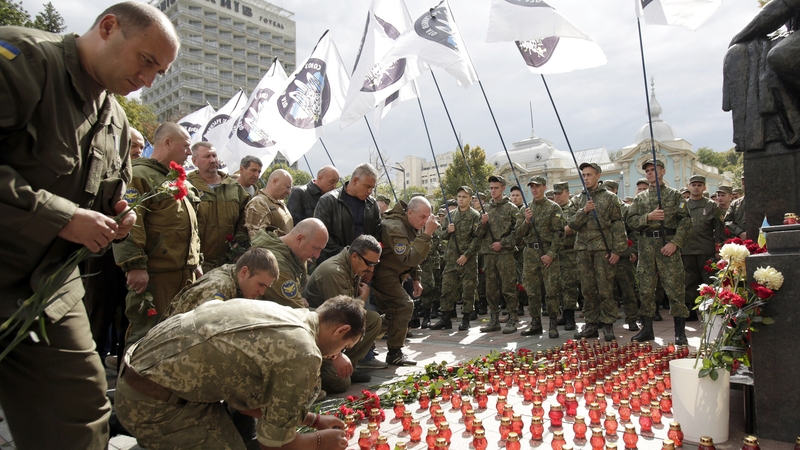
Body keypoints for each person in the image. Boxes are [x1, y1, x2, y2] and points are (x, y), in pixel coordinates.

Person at [0, 2, 177, 448]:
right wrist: (61, 217)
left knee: (80, 413)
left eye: (160, 71)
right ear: (108, 27)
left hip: (49, 289)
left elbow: (101, 200)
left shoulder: (115, 120)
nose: (149, 79)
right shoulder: (24, 60)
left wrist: (117, 219)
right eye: (147, 60)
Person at [115, 296, 363, 450]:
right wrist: (321, 443)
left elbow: (247, 405)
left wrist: (315, 421)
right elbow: (275, 445)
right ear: (341, 331)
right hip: (152, 403)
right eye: (345, 347)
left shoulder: (289, 315)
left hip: (140, 375)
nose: (338, 355)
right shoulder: (304, 352)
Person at [114, 122, 201, 349]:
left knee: (177, 340)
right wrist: (134, 265)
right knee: (146, 340)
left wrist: (196, 260)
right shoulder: (139, 176)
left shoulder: (178, 181)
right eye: (186, 146)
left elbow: (192, 226)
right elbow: (131, 223)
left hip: (183, 275)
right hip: (155, 277)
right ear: (168, 142)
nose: (190, 153)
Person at [304, 235, 385, 392]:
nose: (371, 269)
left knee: (373, 320)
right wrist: (362, 298)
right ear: (354, 256)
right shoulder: (334, 272)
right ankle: (314, 377)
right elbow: (340, 319)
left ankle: (349, 368)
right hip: (319, 336)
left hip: (334, 330)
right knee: (340, 384)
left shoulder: (352, 266)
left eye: (375, 264)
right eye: (369, 263)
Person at [627, 160, 693, 345]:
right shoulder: (640, 199)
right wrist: (648, 217)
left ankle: (680, 332)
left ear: (663, 171)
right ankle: (647, 329)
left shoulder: (674, 196)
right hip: (647, 246)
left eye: (654, 170)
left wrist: (675, 243)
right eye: (647, 171)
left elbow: (686, 222)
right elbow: (630, 221)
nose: (650, 173)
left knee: (675, 288)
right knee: (646, 289)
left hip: (668, 245)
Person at [372, 196, 439, 365]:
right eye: (422, 217)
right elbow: (409, 257)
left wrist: (416, 278)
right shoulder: (395, 227)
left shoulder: (410, 224)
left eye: (427, 217)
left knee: (398, 310)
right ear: (409, 212)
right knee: (404, 306)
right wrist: (428, 234)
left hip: (397, 273)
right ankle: (393, 351)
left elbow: (413, 251)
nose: (425, 221)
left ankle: (372, 336)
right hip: (383, 272)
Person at [569, 163, 627, 342]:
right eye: (583, 175)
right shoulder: (578, 199)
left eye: (589, 174)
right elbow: (571, 224)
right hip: (583, 248)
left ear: (598, 175)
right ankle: (591, 324)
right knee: (587, 288)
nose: (585, 178)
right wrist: (584, 211)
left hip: (603, 248)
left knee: (605, 288)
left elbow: (618, 224)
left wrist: (618, 250)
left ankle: (608, 324)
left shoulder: (609, 198)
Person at [163, 247, 279, 318]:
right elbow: (202, 330)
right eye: (261, 285)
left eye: (266, 287)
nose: (262, 292)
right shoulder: (218, 287)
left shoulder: (243, 285)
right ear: (244, 272)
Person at [187, 142, 250, 272]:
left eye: (214, 156)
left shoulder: (233, 187)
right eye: (207, 156)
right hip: (197, 265)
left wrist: (238, 247)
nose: (212, 160)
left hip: (228, 263)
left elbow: (245, 219)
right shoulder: (187, 186)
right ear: (194, 161)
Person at [515, 176, 564, 338]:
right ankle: (535, 322)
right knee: (532, 290)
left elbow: (559, 233)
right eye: (532, 187)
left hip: (547, 252)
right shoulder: (525, 210)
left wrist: (551, 254)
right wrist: (527, 222)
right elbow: (518, 234)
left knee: (551, 290)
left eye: (537, 186)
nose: (534, 189)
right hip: (530, 253)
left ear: (544, 187)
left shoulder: (553, 208)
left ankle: (552, 323)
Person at [431, 187, 481, 331]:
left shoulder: (475, 216)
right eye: (459, 196)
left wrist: (466, 255)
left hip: (468, 259)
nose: (461, 199)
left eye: (464, 197)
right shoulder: (450, 215)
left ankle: (466, 318)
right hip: (452, 259)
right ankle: (445, 318)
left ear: (470, 198)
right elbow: (442, 236)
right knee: (446, 289)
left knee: (468, 290)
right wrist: (448, 231)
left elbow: (477, 239)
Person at [251, 218, 329, 309]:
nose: (317, 256)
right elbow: (297, 311)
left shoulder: (297, 255)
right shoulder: (276, 265)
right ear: (299, 239)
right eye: (316, 248)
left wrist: (299, 298)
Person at [477, 175, 521, 334]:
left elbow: (519, 232)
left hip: (505, 254)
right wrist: (482, 223)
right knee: (491, 288)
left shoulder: (511, 208)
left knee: (508, 287)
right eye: (491, 188)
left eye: (496, 188)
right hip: (489, 254)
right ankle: (494, 319)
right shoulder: (485, 209)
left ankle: (511, 318)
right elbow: (478, 233)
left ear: (503, 188)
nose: (493, 191)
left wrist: (502, 243)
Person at [314, 163, 381, 265]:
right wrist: (349, 257)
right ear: (355, 180)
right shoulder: (328, 200)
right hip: (333, 265)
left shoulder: (372, 204)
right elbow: (321, 237)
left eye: (372, 188)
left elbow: (377, 235)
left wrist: (368, 265)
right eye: (367, 186)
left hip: (363, 266)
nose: (370, 191)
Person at [682, 175, 724, 322]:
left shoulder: (711, 205)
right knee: (689, 280)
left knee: (709, 279)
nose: (696, 187)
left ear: (704, 187)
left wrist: (718, 249)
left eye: (699, 185)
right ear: (688, 187)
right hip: (686, 250)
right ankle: (690, 309)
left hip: (706, 249)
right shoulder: (683, 205)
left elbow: (718, 228)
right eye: (693, 185)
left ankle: (711, 309)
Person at [603, 180, 640, 332]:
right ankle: (607, 319)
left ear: (615, 190)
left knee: (627, 289)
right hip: (604, 255)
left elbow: (634, 231)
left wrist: (633, 250)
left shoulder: (624, 208)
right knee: (606, 290)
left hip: (623, 255)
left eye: (609, 190)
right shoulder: (600, 208)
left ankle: (632, 318)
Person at [552, 182, 579, 332]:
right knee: (558, 286)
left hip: (569, 252)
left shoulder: (573, 208)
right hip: (555, 253)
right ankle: (563, 313)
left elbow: (573, 227)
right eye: (555, 194)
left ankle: (570, 317)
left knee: (569, 286)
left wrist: (557, 232)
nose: (557, 196)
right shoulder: (552, 209)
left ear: (567, 193)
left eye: (559, 193)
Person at [245, 168, 293, 239]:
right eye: (287, 187)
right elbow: (257, 239)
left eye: (290, 188)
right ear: (275, 181)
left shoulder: (279, 203)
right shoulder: (258, 203)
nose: (289, 192)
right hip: (272, 250)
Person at [726, 174, 746, 239]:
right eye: (743, 183)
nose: (745, 185)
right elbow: (727, 221)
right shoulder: (735, 204)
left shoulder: (764, 202)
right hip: (739, 241)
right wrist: (740, 233)